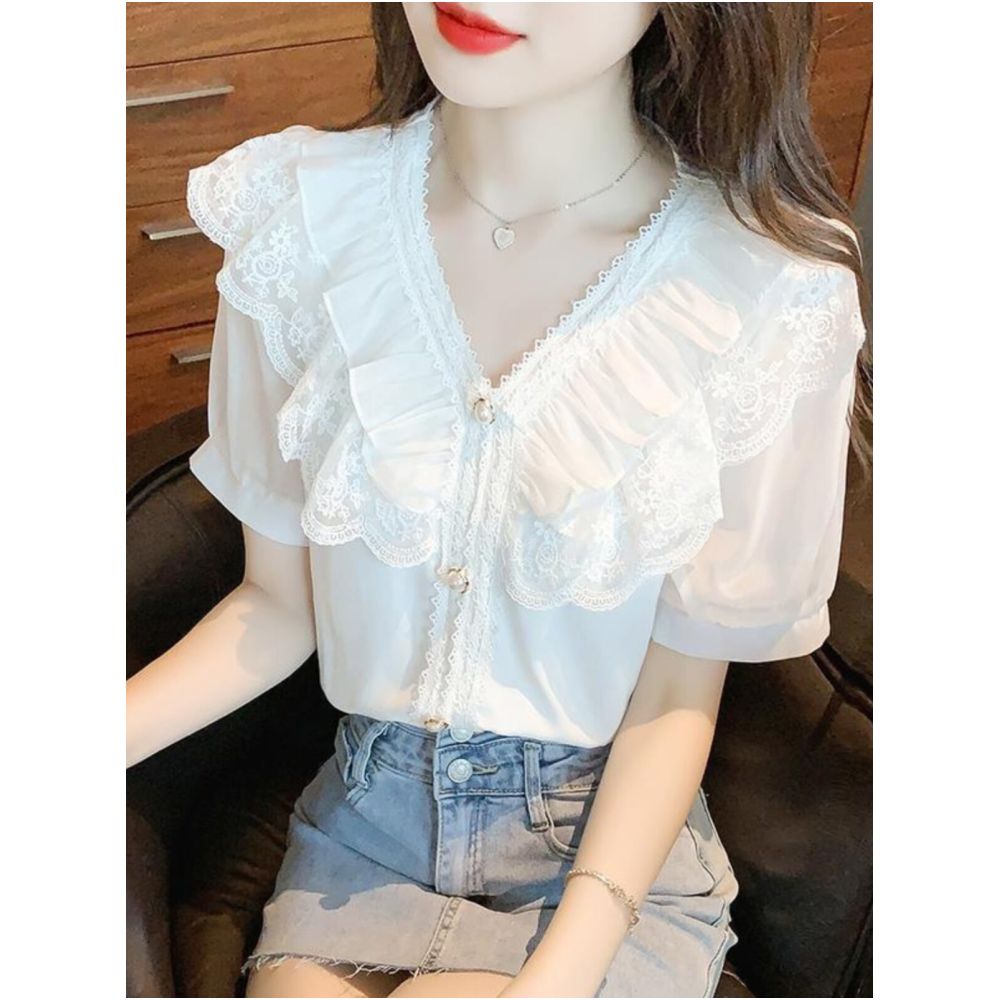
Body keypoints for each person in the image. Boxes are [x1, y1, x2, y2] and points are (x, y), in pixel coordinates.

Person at [126, 3, 872, 997]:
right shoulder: (300, 215)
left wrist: (561, 971)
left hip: (601, 855)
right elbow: (276, 605)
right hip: (364, 830)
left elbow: (675, 695)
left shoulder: (762, 289)